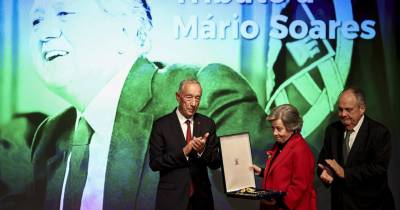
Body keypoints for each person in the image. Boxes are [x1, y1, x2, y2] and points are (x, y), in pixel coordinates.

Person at [29, 0, 271, 209]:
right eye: (36, 22)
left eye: (65, 13)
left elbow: (259, 198)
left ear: (128, 31)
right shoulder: (49, 135)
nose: (45, 33)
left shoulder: (201, 93)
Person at [317, 87, 395, 210]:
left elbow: (378, 169)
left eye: (348, 110)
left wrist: (345, 174)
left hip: (371, 205)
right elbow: (324, 161)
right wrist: (326, 173)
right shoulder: (332, 131)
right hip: (340, 205)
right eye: (340, 109)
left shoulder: (379, 133)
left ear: (362, 108)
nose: (343, 114)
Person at [149, 79, 220, 210]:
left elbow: (216, 163)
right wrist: (184, 152)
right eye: (189, 97)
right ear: (178, 96)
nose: (194, 103)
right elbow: (155, 163)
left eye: (197, 98)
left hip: (202, 201)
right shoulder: (161, 125)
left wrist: (202, 151)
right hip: (171, 200)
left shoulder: (207, 124)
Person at [251, 104, 316, 210]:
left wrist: (281, 203)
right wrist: (263, 172)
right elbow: (283, 172)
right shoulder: (280, 144)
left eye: (279, 129)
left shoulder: (300, 149)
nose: (275, 133)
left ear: (292, 127)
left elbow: (300, 185)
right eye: (273, 128)